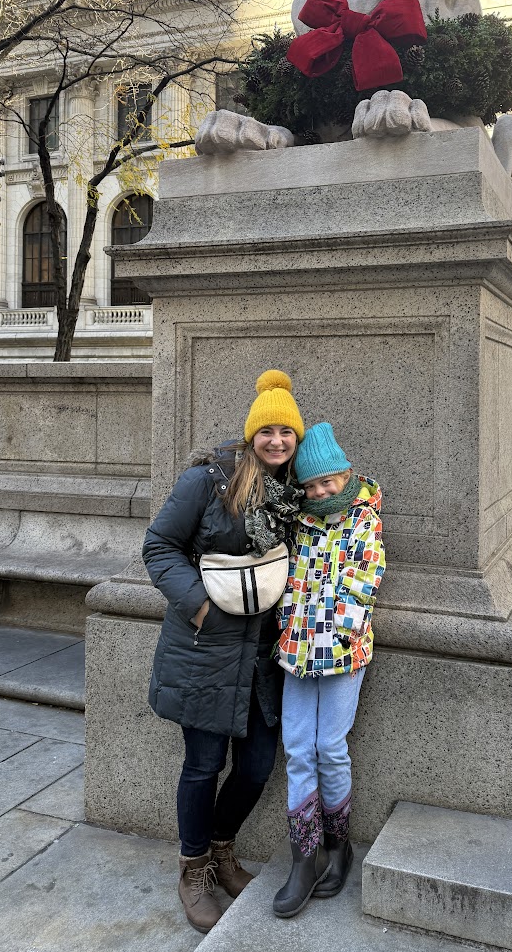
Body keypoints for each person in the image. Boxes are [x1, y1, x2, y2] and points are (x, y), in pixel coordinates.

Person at [142, 369, 305, 934]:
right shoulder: (208, 481)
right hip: (206, 648)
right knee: (204, 765)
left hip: (263, 656)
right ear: (251, 433)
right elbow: (158, 546)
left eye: (288, 432)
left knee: (257, 766)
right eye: (268, 432)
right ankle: (193, 869)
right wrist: (201, 606)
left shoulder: (294, 492)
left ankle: (221, 848)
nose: (278, 442)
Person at [272, 423, 385, 918]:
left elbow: (366, 577)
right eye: (311, 485)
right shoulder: (297, 520)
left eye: (327, 482)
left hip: (342, 652)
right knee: (298, 747)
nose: (320, 492)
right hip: (296, 649)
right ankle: (304, 856)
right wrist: (290, 627)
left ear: (344, 475)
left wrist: (338, 632)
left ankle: (340, 848)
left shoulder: (363, 518)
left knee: (329, 747)